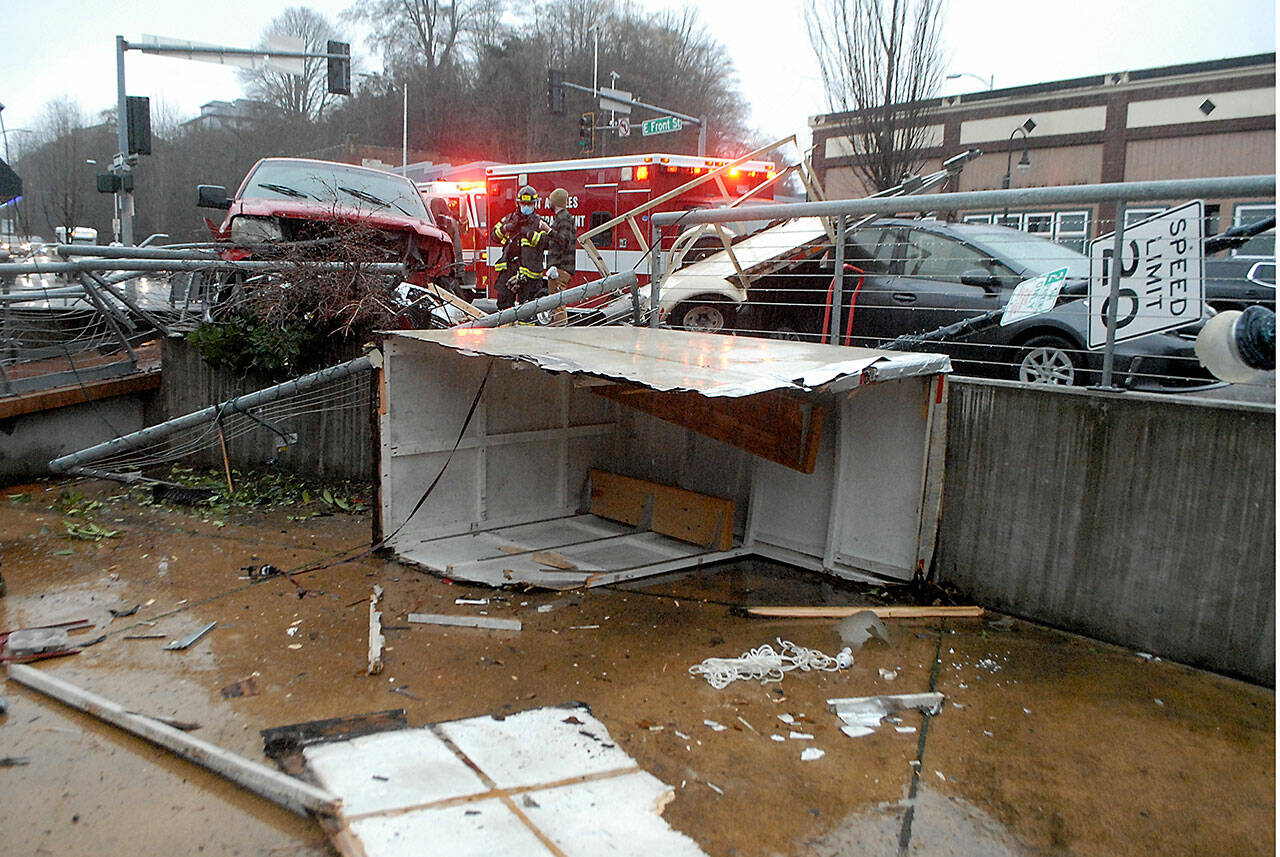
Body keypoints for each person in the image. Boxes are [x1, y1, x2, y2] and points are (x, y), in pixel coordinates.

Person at [492, 185, 549, 310]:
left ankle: (526, 330)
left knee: (528, 310)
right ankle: (507, 329)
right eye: (523, 203)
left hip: (530, 274)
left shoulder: (539, 223)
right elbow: (494, 236)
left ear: (534, 204)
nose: (526, 206)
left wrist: (529, 234)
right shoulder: (509, 219)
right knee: (504, 307)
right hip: (509, 269)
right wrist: (505, 228)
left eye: (529, 204)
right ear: (518, 203)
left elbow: (547, 243)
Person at [543, 187, 577, 326]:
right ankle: (556, 328)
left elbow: (563, 241)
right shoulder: (562, 218)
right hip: (558, 269)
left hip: (560, 269)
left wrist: (548, 230)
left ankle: (560, 331)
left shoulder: (563, 219)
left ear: (554, 202)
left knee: (558, 304)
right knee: (555, 303)